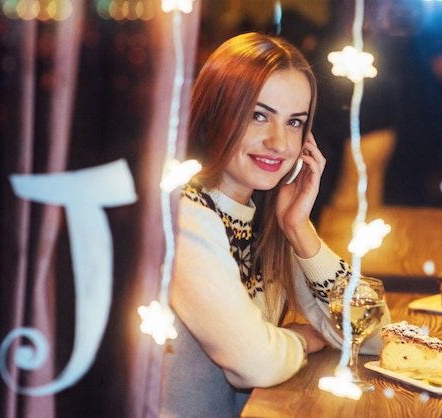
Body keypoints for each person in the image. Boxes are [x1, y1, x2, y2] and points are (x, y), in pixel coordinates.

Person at [158, 32, 389, 417]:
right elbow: (253, 364)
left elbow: (374, 335)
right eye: (258, 115)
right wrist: (301, 339)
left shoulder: (269, 219)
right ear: (215, 113)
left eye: (294, 122)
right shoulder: (186, 214)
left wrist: (301, 231)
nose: (279, 142)